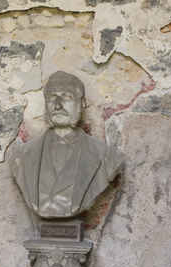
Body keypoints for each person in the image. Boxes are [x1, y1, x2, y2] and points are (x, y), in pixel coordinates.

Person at [9, 71, 124, 219]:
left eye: (66, 97)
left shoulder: (106, 156)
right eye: (51, 98)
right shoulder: (22, 156)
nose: (57, 105)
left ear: (81, 104)